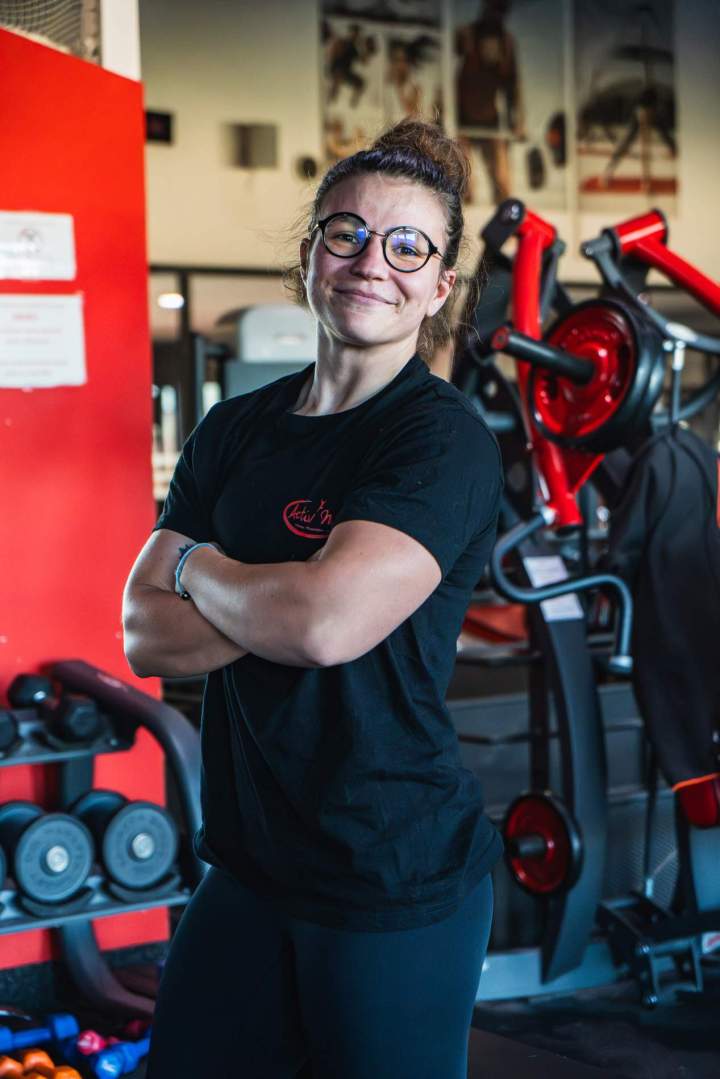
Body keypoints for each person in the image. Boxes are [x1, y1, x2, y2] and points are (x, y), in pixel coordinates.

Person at [124, 119, 503, 1079]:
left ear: (440, 287)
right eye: (349, 233)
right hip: (246, 867)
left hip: (387, 872)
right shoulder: (232, 430)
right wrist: (286, 600)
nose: (373, 262)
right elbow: (142, 632)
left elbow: (326, 625)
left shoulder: (440, 439)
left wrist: (196, 565)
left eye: (409, 245)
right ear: (310, 254)